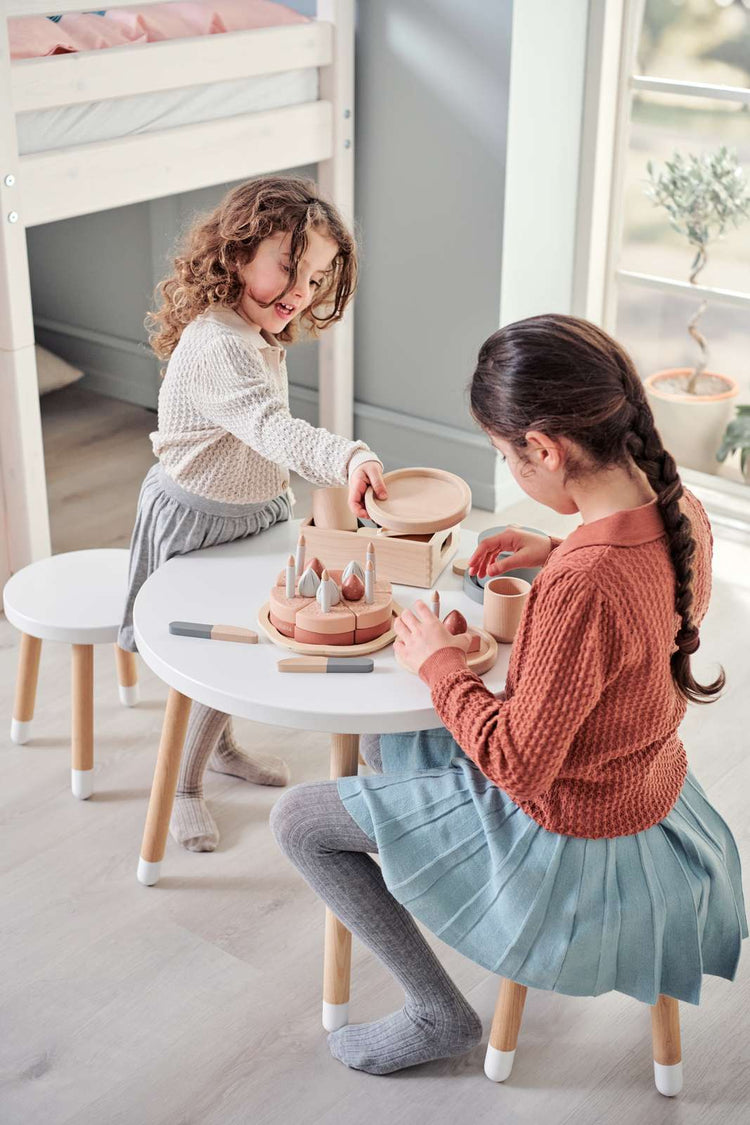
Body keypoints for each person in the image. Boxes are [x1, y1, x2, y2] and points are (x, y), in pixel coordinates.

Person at [271, 314, 746, 1076]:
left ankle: (435, 1007)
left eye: (505, 455)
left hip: (567, 831)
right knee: (387, 736)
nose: (509, 467)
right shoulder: (678, 508)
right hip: (646, 789)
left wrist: (440, 666)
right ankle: (422, 850)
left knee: (299, 819)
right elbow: (635, 590)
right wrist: (554, 547)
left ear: (548, 450)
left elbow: (518, 765)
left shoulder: (582, 587)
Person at [118, 176, 385, 852]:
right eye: (289, 269)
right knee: (211, 657)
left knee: (246, 643)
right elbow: (271, 428)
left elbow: (263, 437)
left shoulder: (257, 328)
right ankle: (180, 784)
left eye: (316, 278)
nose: (301, 292)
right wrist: (348, 456)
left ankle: (222, 742)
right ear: (235, 255)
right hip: (201, 522)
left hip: (252, 512)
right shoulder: (220, 345)